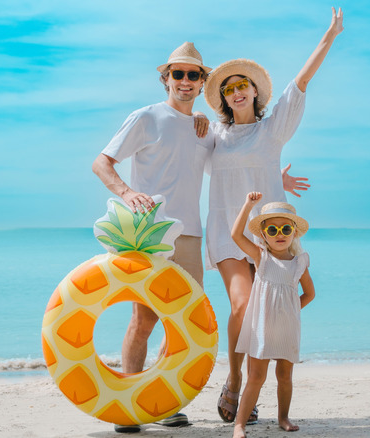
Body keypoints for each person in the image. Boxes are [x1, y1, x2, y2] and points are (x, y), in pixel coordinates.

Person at [91, 41, 306, 433]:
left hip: (190, 234)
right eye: (178, 74)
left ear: (201, 80)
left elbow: (232, 164)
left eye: (193, 75)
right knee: (143, 319)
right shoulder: (145, 117)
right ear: (165, 78)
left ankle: (165, 401)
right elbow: (101, 162)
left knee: (181, 323)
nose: (185, 81)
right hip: (147, 233)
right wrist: (125, 192)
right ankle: (128, 404)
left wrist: (275, 178)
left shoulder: (205, 130)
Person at [202, 7, 343, 423]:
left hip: (269, 235)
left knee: (264, 312)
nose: (236, 92)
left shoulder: (272, 130)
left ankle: (251, 387)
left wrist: (330, 36)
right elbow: (196, 159)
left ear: (254, 91)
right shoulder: (213, 134)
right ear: (224, 99)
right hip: (227, 232)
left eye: (242, 84)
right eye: (228, 89)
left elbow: (300, 81)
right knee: (243, 307)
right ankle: (232, 378)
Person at [230, 192, 315, 438]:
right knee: (256, 377)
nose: (279, 234)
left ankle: (283, 417)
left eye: (286, 229)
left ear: (294, 233)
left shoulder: (299, 262)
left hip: (287, 327)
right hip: (261, 328)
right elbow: (236, 235)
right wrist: (248, 205)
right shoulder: (262, 257)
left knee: (285, 376)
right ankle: (239, 425)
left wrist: (290, 311)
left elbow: (309, 294)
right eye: (273, 230)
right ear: (264, 234)